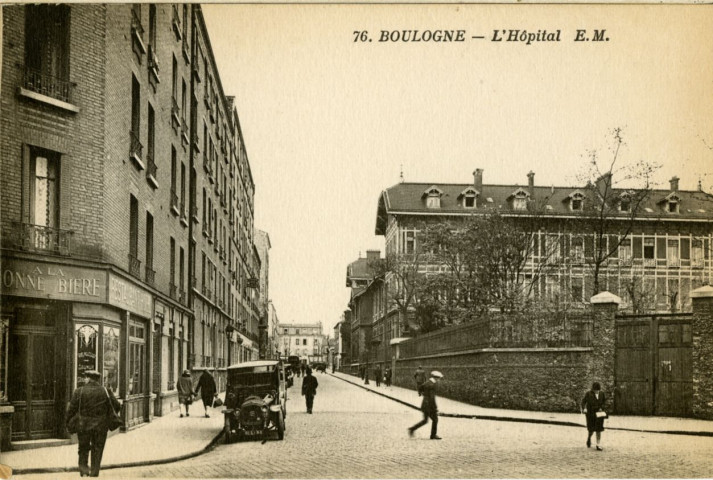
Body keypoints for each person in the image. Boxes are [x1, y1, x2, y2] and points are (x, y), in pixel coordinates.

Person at [66, 370, 121, 477]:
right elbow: (117, 406)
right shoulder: (105, 391)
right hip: (101, 427)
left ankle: (84, 471)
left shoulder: (79, 391)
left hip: (84, 426)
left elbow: (71, 410)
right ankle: (94, 473)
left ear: (89, 379)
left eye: (86, 377)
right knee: (98, 449)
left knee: (83, 448)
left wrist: (68, 422)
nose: (85, 379)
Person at [408, 371, 443, 440]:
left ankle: (412, 429)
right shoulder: (432, 385)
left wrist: (423, 394)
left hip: (424, 404)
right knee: (435, 419)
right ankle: (433, 435)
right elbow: (432, 398)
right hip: (429, 406)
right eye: (439, 378)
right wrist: (435, 408)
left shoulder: (427, 382)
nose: (439, 380)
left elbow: (420, 387)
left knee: (425, 420)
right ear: (436, 378)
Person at [581, 382, 607, 451]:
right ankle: (589, 438)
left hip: (599, 414)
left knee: (599, 429)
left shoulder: (602, 394)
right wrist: (584, 408)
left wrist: (602, 408)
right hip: (591, 414)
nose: (596, 391)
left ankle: (598, 444)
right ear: (593, 390)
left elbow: (604, 402)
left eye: (597, 390)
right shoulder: (588, 394)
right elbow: (583, 402)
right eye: (595, 390)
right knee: (591, 430)